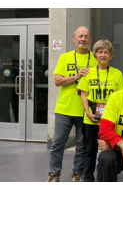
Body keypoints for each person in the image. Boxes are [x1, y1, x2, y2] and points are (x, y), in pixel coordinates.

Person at [46, 26, 98, 182]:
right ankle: (54, 174)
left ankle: (78, 173)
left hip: (85, 108)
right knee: (58, 143)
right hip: (65, 107)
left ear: (90, 40)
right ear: (74, 38)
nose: (83, 39)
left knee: (82, 145)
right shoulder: (65, 57)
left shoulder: (95, 59)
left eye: (86, 36)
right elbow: (57, 81)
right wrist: (77, 77)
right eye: (80, 36)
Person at [77, 40, 123, 182]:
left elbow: (121, 97)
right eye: (100, 52)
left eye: (106, 52)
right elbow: (84, 94)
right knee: (90, 149)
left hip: (110, 119)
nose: (103, 55)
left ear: (110, 56)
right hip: (91, 117)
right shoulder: (88, 73)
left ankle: (109, 172)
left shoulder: (117, 74)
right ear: (95, 55)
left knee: (110, 148)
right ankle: (88, 177)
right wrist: (87, 112)